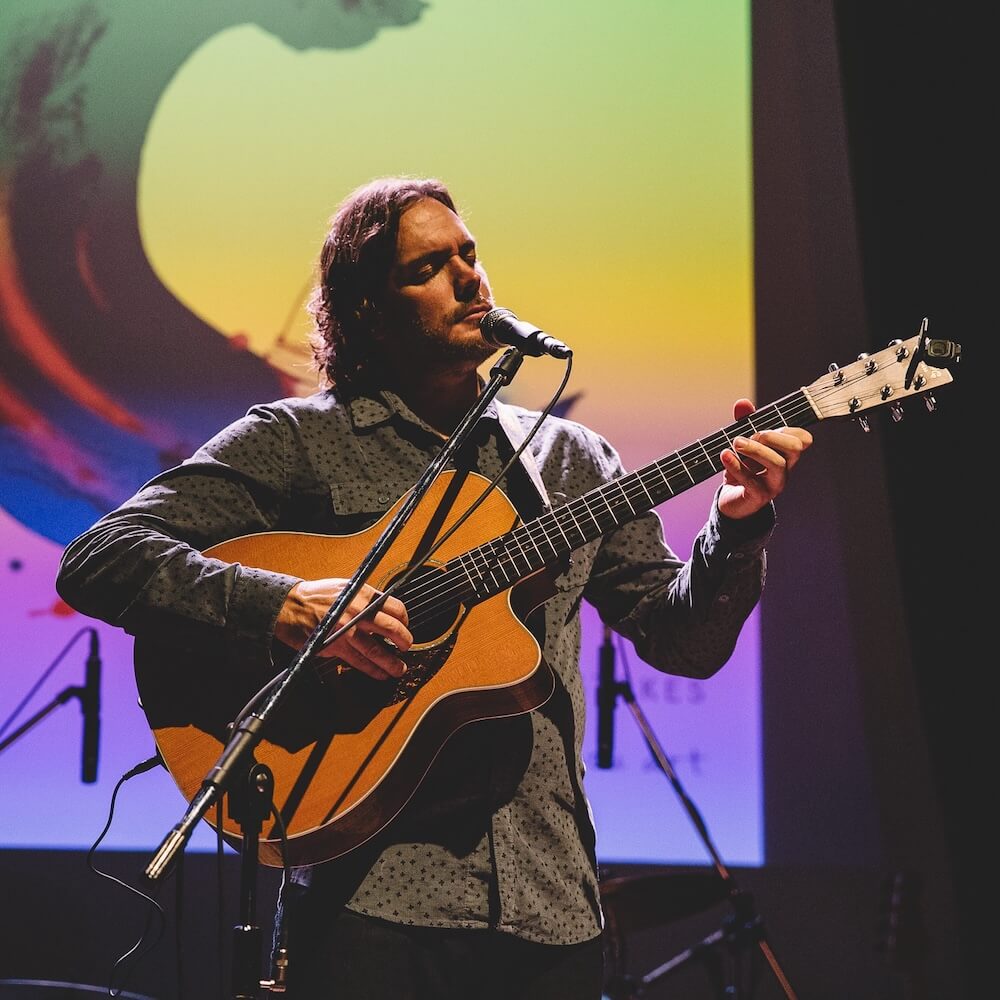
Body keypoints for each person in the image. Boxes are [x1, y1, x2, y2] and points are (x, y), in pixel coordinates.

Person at [55, 175, 813, 1000]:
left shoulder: (572, 462)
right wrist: (283, 607)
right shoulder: (299, 440)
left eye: (470, 254)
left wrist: (735, 527)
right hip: (368, 908)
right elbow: (101, 555)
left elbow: (686, 644)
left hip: (551, 909)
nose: (469, 278)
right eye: (428, 267)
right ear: (369, 311)